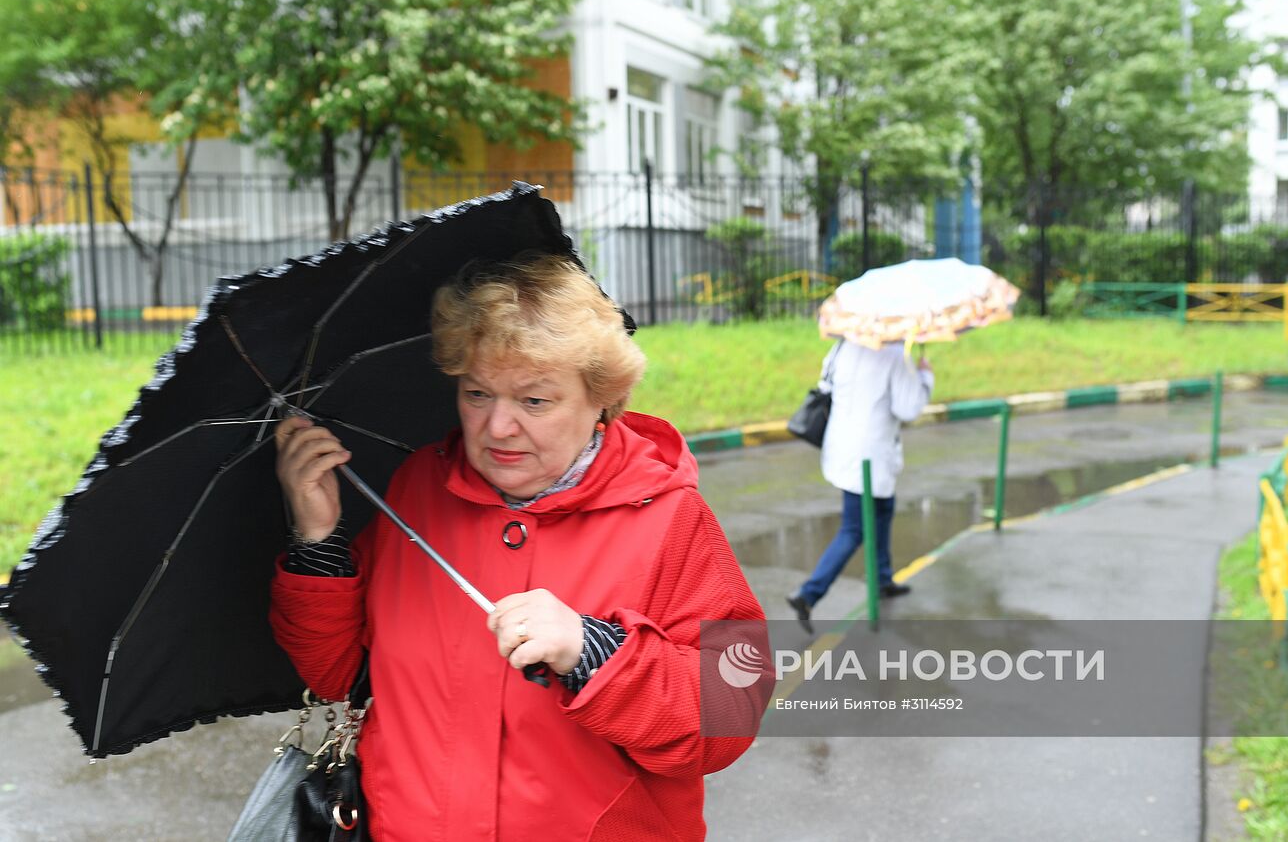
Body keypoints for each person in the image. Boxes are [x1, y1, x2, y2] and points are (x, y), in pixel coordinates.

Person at [269, 255, 768, 841]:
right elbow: (336, 675)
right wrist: (319, 542)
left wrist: (595, 651)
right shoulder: (415, 490)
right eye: (477, 393)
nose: (498, 427)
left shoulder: (671, 519)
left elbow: (732, 713)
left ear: (600, 400)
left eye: (534, 401)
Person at [786, 339, 934, 632]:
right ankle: (808, 594)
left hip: (844, 447)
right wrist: (925, 376)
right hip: (871, 456)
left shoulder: (844, 345)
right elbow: (908, 409)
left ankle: (882, 578)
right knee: (854, 529)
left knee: (883, 509)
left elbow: (825, 382)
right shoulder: (894, 356)